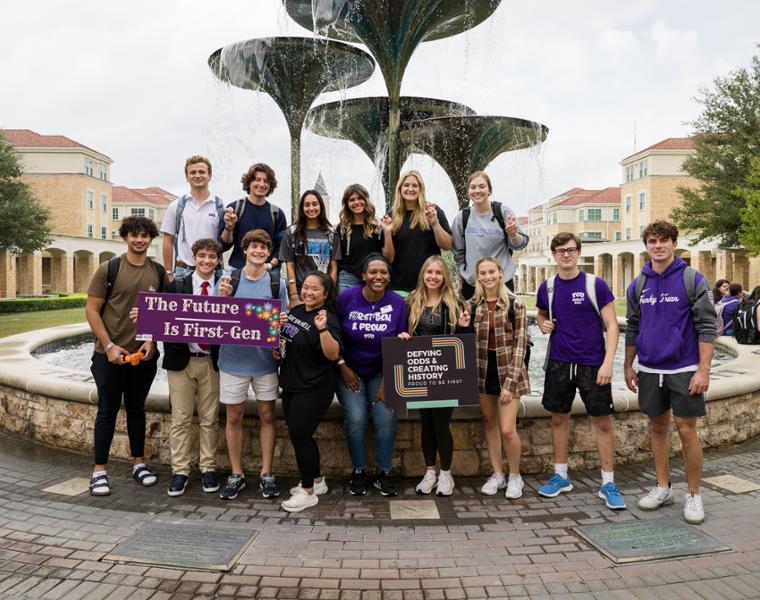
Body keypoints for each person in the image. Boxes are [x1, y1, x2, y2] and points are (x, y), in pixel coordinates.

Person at [624, 220, 717, 525]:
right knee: (657, 429)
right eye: (652, 241)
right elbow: (633, 327)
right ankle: (663, 487)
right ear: (647, 245)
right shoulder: (639, 284)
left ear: (675, 243)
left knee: (687, 430)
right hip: (650, 367)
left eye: (664, 240)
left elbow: (706, 327)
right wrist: (628, 364)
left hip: (684, 367)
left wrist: (703, 370)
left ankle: (693, 495)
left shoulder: (692, 279)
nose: (658, 246)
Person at [535, 233, 625, 510]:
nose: (566, 255)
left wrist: (608, 362)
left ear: (578, 253)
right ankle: (561, 475)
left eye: (571, 250)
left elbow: (612, 325)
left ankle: (608, 482)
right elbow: (540, 314)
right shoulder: (547, 287)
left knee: (602, 422)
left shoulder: (594, 284)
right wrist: (542, 323)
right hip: (559, 362)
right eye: (561, 250)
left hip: (591, 363)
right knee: (558, 419)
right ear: (554, 254)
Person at [85, 216, 167, 496]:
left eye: (145, 235)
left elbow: (162, 313)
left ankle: (139, 464)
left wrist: (151, 342)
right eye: (134, 235)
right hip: (108, 354)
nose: (139, 240)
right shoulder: (110, 268)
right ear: (125, 237)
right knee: (107, 411)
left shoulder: (158, 271)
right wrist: (108, 346)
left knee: (137, 409)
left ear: (151, 238)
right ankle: (99, 471)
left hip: (142, 355)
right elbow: (92, 310)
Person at [216, 230, 289, 500]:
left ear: (268, 253)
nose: (258, 251)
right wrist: (222, 299)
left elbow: (285, 319)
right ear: (244, 250)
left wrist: (283, 322)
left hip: (265, 362)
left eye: (263, 247)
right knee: (233, 417)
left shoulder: (275, 283)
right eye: (253, 247)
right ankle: (236, 473)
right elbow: (212, 320)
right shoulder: (228, 279)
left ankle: (266, 472)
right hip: (233, 360)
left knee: (268, 416)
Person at [336, 254, 407, 496]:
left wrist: (389, 382)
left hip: (382, 370)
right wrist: (343, 367)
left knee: (385, 419)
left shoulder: (398, 304)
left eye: (383, 272)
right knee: (356, 419)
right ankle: (359, 470)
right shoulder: (347, 298)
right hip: (350, 370)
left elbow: (399, 344)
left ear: (389, 277)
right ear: (364, 275)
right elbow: (335, 335)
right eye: (373, 272)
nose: (378, 276)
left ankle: (383, 472)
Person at [459, 257, 530, 498]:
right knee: (489, 423)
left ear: (500, 273)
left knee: (508, 429)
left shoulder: (515, 305)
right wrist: (462, 327)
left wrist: (510, 384)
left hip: (507, 371)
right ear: (477, 277)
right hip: (482, 371)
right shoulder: (472, 305)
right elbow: (464, 342)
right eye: (483, 273)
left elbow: (521, 346)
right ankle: (498, 473)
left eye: (492, 271)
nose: (488, 276)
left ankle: (515, 476)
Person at [160, 238, 224, 496]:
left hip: (212, 361)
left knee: (210, 418)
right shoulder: (176, 285)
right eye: (202, 256)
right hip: (181, 361)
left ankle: (208, 467)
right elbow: (161, 319)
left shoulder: (224, 288)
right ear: (194, 257)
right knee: (181, 419)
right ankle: (180, 471)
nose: (207, 261)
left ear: (218, 261)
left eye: (212, 257)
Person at [400, 255, 465, 496]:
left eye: (438, 273)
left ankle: (446, 474)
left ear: (444, 276)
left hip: (446, 373)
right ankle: (430, 472)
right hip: (420, 371)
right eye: (429, 272)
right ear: (422, 275)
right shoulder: (410, 302)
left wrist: (465, 326)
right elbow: (401, 330)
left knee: (441, 423)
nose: (433, 277)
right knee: (425, 424)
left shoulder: (453, 303)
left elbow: (464, 338)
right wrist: (403, 337)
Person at [279, 272, 343, 512]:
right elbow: (288, 342)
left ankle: (308, 493)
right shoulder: (296, 311)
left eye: (315, 289)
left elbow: (333, 354)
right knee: (300, 435)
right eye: (306, 287)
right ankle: (317, 481)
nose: (308, 292)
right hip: (292, 383)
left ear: (325, 294)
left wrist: (323, 329)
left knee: (301, 436)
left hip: (314, 387)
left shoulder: (327, 318)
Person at [451, 171, 529, 299]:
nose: (477, 190)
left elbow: (520, 244)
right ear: (468, 191)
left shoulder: (502, 211)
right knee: (472, 319)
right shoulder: (462, 217)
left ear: (489, 190)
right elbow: (458, 251)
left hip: (501, 284)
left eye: (482, 186)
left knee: (505, 319)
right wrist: (464, 274)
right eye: (473, 187)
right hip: (473, 285)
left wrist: (513, 235)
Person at [389, 170, 452, 294]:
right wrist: (386, 232)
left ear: (421, 189)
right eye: (406, 185)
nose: (410, 189)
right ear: (400, 188)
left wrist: (434, 223)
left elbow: (447, 245)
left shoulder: (432, 211)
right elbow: (388, 256)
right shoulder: (392, 217)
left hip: (428, 285)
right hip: (399, 286)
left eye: (414, 185)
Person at [161, 156, 225, 279]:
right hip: (183, 272)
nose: (197, 175)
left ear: (210, 176)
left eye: (202, 172)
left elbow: (225, 240)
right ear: (187, 177)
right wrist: (168, 272)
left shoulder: (220, 206)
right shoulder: (176, 206)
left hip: (213, 273)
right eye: (192, 172)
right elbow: (167, 240)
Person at [219, 162, 287, 272]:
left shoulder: (277, 214)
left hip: (266, 274)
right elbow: (223, 246)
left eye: (266, 181)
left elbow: (282, 249)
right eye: (257, 179)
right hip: (238, 272)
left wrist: (269, 265)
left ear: (270, 185)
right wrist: (229, 228)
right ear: (249, 182)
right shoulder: (235, 209)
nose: (261, 184)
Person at [280, 189, 341, 306]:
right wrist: (293, 296)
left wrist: (330, 294)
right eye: (307, 205)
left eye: (315, 204)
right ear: (302, 208)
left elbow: (333, 267)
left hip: (322, 294)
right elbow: (290, 266)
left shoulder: (331, 233)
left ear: (321, 206)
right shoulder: (291, 233)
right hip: (301, 292)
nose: (311, 208)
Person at [337, 184, 395, 293]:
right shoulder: (342, 228)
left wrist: (387, 233)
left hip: (372, 277)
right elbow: (337, 259)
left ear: (366, 200)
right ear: (347, 204)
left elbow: (389, 258)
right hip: (347, 278)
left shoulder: (378, 226)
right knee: (345, 309)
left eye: (360, 198)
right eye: (351, 200)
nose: (356, 202)